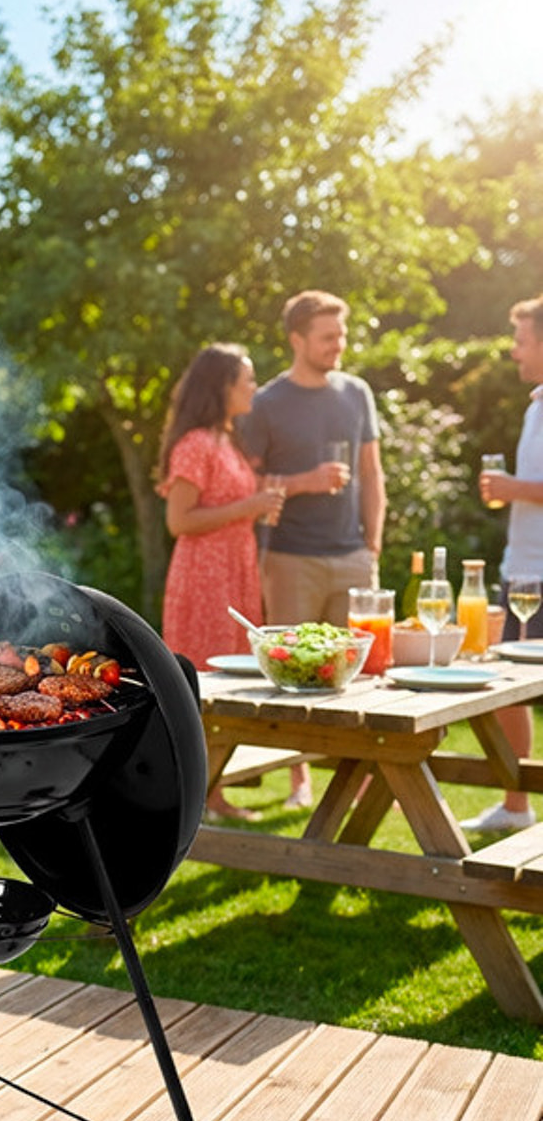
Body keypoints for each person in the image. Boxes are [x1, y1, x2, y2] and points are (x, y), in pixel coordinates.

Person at [240, 289, 387, 807]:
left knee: (360, 670)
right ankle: (300, 783)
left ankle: (364, 778)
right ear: (297, 339)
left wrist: (373, 544)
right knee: (292, 673)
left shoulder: (357, 393)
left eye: (341, 334)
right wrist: (304, 480)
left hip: (351, 554)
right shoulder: (265, 404)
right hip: (290, 557)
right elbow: (247, 485)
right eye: (328, 336)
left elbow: (372, 474)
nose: (338, 344)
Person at [156, 344, 285, 820]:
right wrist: (249, 507)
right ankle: (195, 799)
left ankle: (213, 794)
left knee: (227, 684)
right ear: (222, 386)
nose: (254, 386)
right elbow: (179, 521)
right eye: (247, 379)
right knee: (205, 686)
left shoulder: (225, 440)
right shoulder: (195, 444)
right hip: (204, 577)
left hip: (233, 572)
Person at [464, 295, 543, 835]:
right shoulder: (536, 404)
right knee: (505, 687)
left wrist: (516, 488)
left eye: (520, 340)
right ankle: (518, 807)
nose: (514, 351)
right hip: (524, 570)